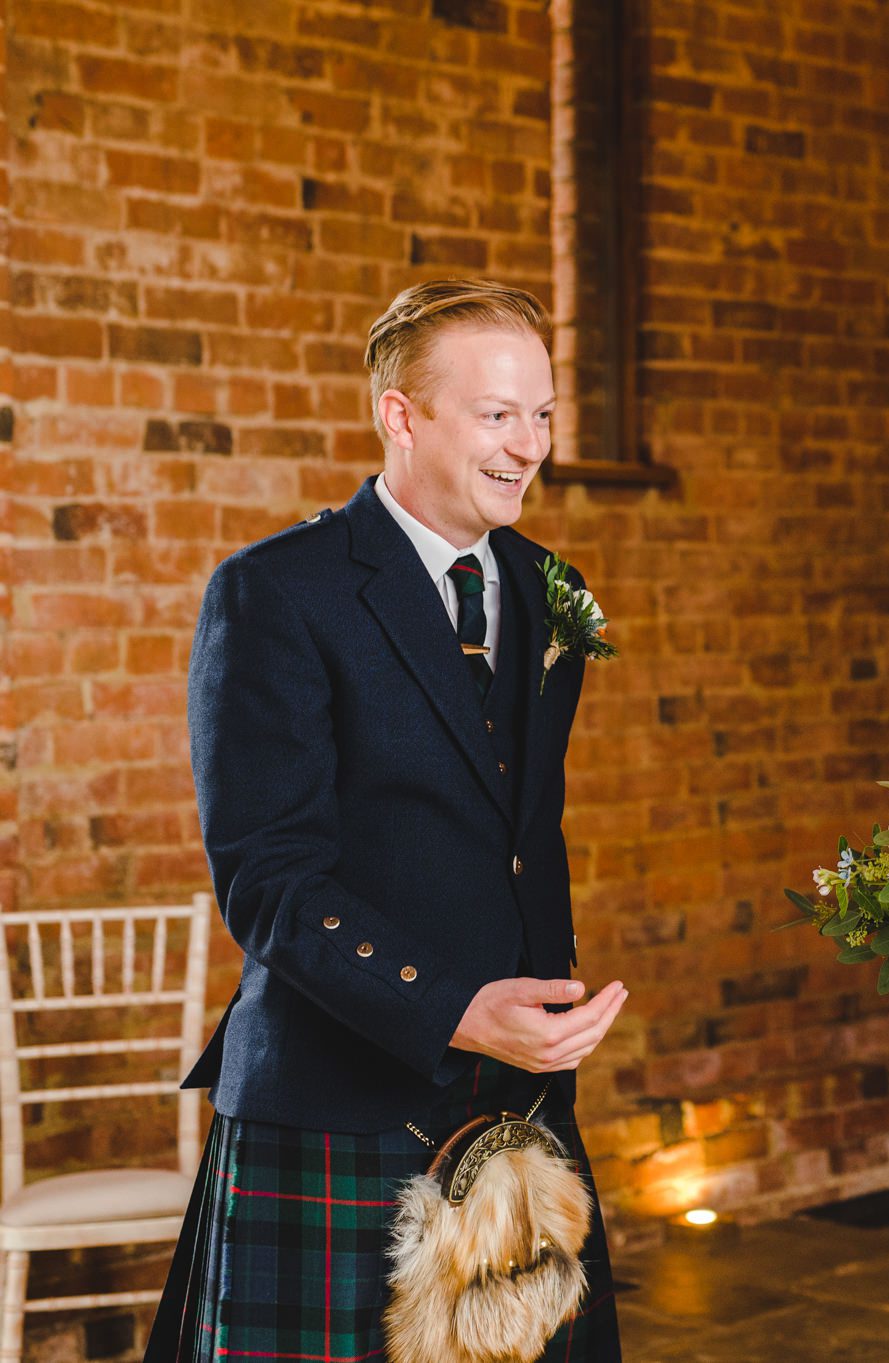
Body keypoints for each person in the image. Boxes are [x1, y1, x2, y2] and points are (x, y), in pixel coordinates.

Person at [146, 280, 627, 1363]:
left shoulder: (552, 589)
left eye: (543, 413)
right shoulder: (277, 592)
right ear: (399, 414)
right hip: (337, 1099)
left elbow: (517, 832)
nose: (530, 444)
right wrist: (453, 1006)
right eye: (497, 414)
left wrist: (538, 1017)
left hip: (517, 1100)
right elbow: (268, 880)